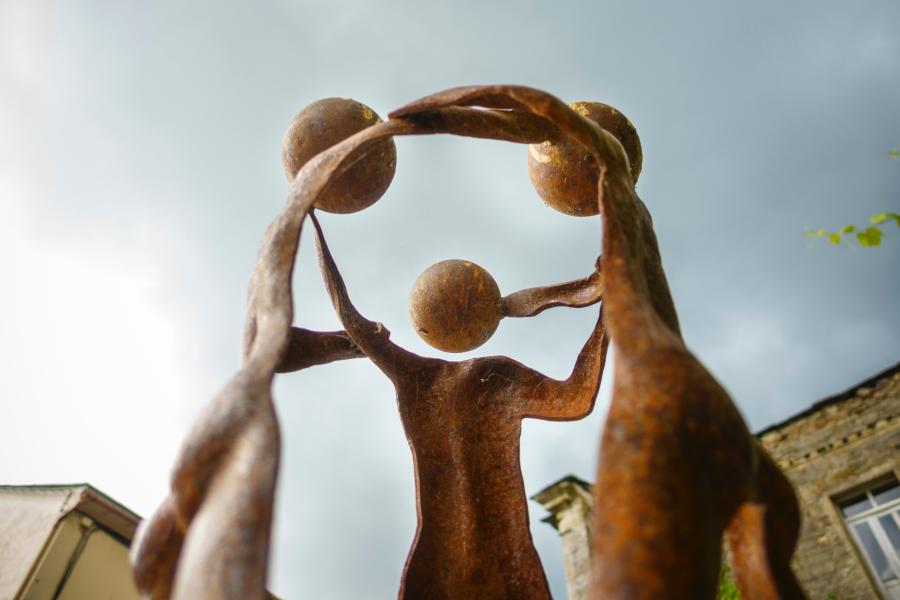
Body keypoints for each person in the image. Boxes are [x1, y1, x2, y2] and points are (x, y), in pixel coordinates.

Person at [311, 213, 609, 599]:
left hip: (452, 560)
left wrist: (312, 218)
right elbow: (577, 397)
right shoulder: (495, 377)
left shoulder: (424, 377)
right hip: (504, 557)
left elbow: (347, 314)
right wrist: (604, 313)